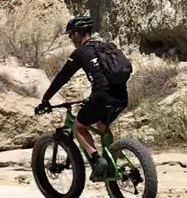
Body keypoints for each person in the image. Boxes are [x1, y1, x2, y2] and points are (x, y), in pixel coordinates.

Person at [36, 15, 131, 181]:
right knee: (102, 124)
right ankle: (113, 163)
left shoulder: (81, 52)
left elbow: (62, 77)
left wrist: (45, 99)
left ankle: (97, 159)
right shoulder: (106, 46)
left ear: (79, 33)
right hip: (121, 96)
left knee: (78, 126)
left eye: (72, 34)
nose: (70, 38)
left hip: (102, 95)